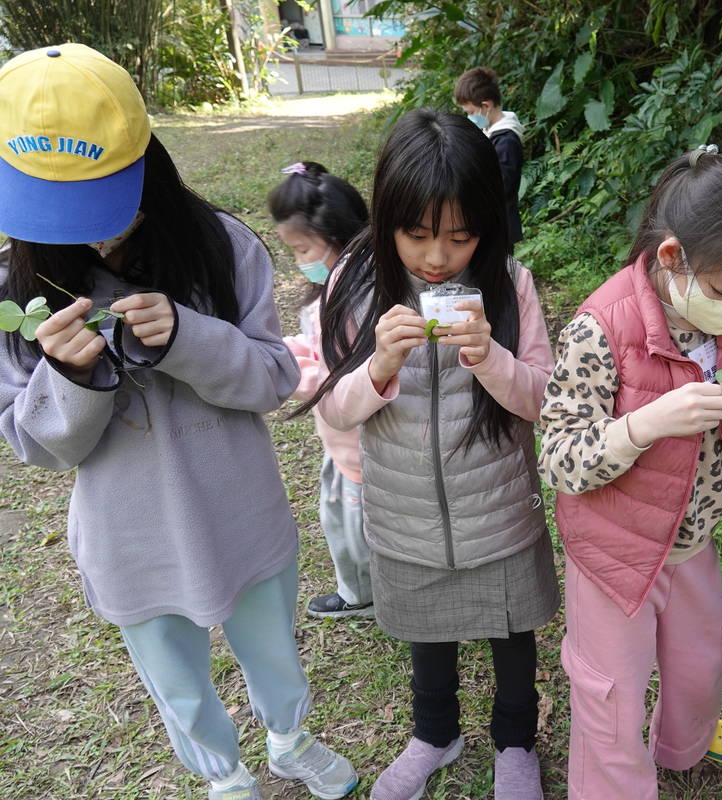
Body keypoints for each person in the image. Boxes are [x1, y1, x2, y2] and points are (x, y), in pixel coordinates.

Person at [0, 45, 356, 800]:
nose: (93, 237)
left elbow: (274, 379)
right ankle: (224, 778)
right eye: (59, 209)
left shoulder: (221, 248)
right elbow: (36, 445)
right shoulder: (16, 292)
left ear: (146, 164)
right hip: (132, 540)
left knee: (274, 651)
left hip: (242, 512)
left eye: (103, 203)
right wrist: (70, 376)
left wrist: (190, 337)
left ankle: (290, 739)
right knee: (177, 681)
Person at [298, 108, 558, 800]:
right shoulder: (356, 286)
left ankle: (515, 745)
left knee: (512, 640)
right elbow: (333, 407)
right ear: (387, 221)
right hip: (406, 515)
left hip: (498, 511)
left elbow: (545, 400)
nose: (437, 258)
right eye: (416, 235)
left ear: (487, 226)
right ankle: (434, 734)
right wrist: (379, 365)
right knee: (427, 639)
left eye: (459, 237)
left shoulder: (510, 285)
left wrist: (493, 360)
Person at [539, 145, 722, 800]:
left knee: (700, 661)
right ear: (671, 258)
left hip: (691, 541)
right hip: (614, 552)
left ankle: (681, 747)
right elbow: (559, 457)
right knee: (611, 694)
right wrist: (645, 424)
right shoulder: (602, 328)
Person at [268, 160, 373, 619]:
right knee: (340, 518)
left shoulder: (355, 293)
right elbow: (320, 349)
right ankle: (359, 592)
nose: (299, 261)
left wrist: (292, 374)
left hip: (359, 444)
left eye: (302, 248)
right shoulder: (335, 285)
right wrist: (285, 350)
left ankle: (368, 597)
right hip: (341, 443)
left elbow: (348, 376)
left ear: (337, 236)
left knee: (359, 528)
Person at [454, 66, 524, 249]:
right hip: (486, 222)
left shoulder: (506, 141)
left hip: (499, 227)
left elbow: (501, 186)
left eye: (470, 112)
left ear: (486, 106)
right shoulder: (489, 132)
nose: (469, 117)